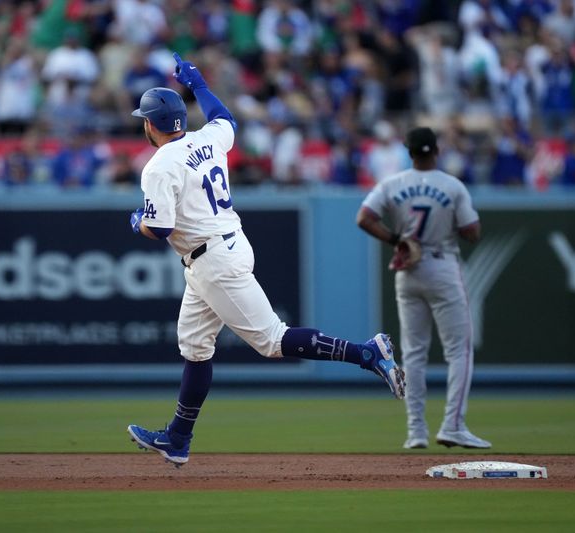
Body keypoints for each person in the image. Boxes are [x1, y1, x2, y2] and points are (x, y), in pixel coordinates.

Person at [126, 53, 406, 467]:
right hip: (220, 250)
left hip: (213, 260)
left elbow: (160, 229)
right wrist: (199, 83)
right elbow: (226, 119)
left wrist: (135, 223)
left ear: (151, 125)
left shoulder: (158, 166)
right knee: (196, 347)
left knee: (273, 340)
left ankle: (367, 353)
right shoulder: (205, 138)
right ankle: (178, 438)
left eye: (143, 120)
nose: (142, 126)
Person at [356, 127, 490, 450]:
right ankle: (453, 424)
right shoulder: (452, 186)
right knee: (459, 349)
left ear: (409, 151)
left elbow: (364, 217)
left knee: (413, 354)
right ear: (437, 151)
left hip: (408, 266)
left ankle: (416, 431)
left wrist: (396, 239)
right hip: (442, 263)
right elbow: (472, 231)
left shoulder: (393, 183)